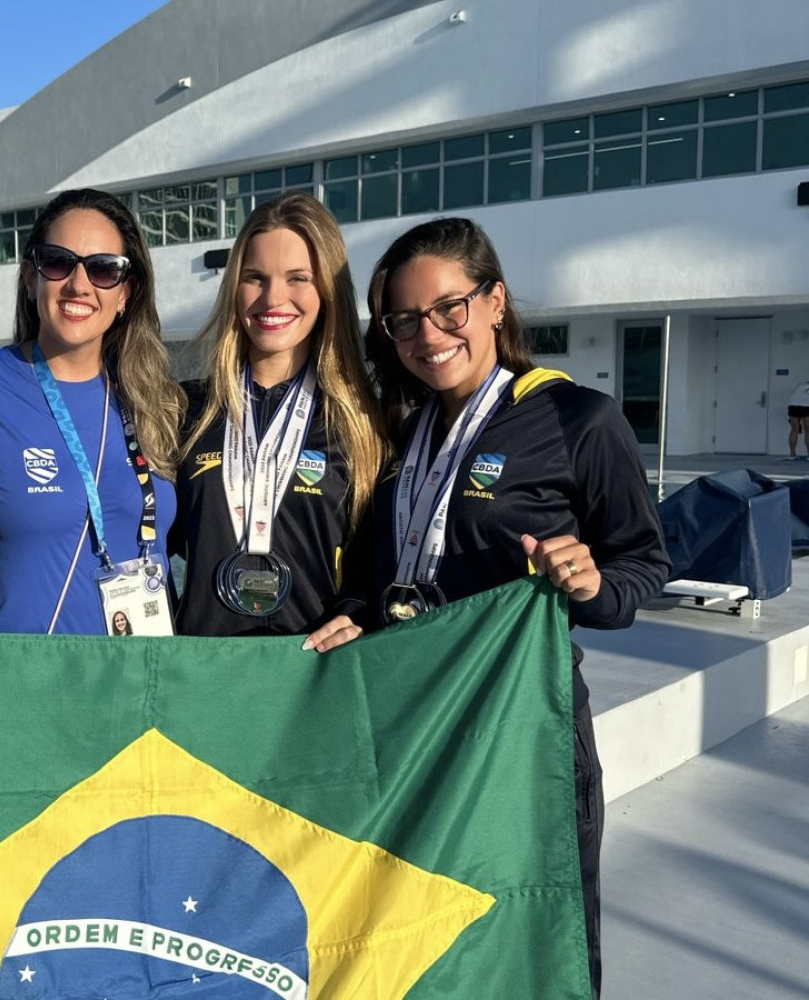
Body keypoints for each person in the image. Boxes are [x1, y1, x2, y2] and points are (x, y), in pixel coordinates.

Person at [305, 217, 669, 999]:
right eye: (403, 320)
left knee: (539, 933)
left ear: (494, 301)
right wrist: (357, 609)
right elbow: (379, 568)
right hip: (412, 722)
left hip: (520, 730)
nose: (427, 335)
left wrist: (592, 585)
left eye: (448, 308)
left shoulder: (579, 419)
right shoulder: (402, 429)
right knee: (423, 936)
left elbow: (642, 565)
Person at [0, 189, 186, 635]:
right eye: (59, 262)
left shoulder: (156, 401)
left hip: (142, 685)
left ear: (125, 293)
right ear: (30, 277)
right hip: (27, 689)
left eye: (104, 269)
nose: (80, 285)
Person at [173, 192, 388, 635]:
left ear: (327, 289)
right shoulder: (186, 409)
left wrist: (359, 611)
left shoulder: (364, 420)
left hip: (311, 678)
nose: (273, 298)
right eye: (255, 277)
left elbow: (384, 562)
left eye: (297, 278)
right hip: (202, 674)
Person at [787, 380, 809, 459]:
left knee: (794, 430)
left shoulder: (801, 384)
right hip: (806, 406)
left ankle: (792, 454)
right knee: (808, 430)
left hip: (793, 405)